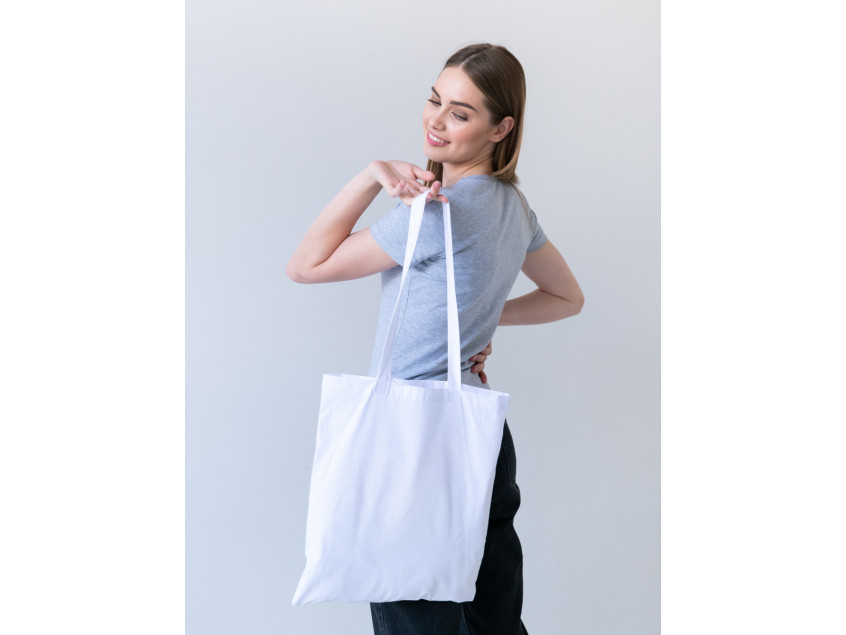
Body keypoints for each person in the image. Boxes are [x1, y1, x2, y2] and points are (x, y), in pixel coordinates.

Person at [287, 43, 584, 635]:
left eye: (461, 113)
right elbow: (566, 297)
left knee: (414, 616)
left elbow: (305, 266)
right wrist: (484, 321)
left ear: (501, 128)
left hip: (412, 442)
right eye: (434, 100)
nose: (437, 121)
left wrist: (370, 175)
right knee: (494, 621)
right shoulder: (513, 206)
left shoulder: (436, 211)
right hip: (481, 437)